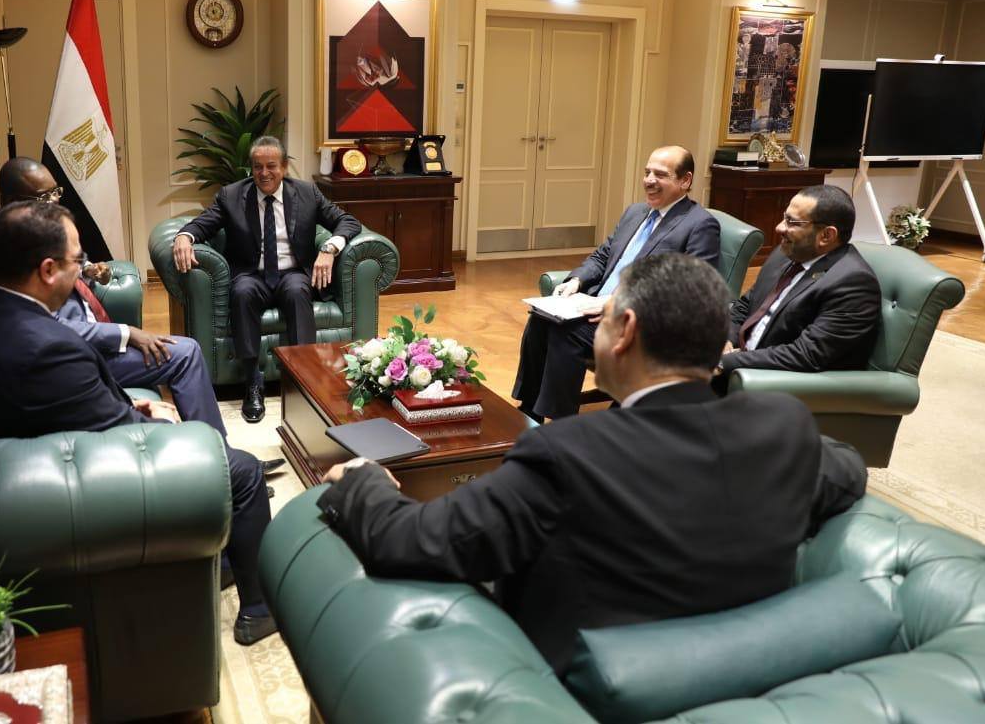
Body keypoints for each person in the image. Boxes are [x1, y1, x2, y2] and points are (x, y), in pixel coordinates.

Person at [316, 253, 867, 674]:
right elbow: (847, 471)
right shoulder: (785, 428)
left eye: (601, 318)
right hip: (746, 676)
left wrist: (363, 482)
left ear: (626, 331)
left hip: (576, 686)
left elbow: (415, 542)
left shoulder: (565, 453)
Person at [0, 202, 278, 645]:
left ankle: (226, 562)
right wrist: (166, 428)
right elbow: (120, 436)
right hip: (83, 483)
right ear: (47, 270)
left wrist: (131, 405)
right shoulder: (50, 347)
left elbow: (67, 404)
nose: (81, 267)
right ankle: (260, 609)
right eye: (76, 259)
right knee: (243, 472)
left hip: (30, 456)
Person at [0, 159, 284, 476]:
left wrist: (90, 272)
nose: (55, 201)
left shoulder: (40, 234)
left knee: (184, 350)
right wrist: (128, 332)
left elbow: (71, 272)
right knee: (185, 353)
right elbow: (51, 329)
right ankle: (224, 464)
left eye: (56, 192)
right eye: (44, 196)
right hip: (78, 360)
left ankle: (222, 459)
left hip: (95, 344)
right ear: (14, 202)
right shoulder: (11, 256)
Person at [512, 145, 720, 421]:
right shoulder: (635, 212)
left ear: (685, 180)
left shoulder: (699, 224)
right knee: (540, 319)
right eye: (647, 172)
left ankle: (560, 420)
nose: (649, 181)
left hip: (640, 323)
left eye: (660, 175)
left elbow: (692, 289)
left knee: (567, 332)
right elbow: (603, 255)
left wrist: (621, 302)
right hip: (596, 305)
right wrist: (576, 281)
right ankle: (529, 410)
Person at [172, 136, 361, 422]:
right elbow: (202, 224)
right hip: (252, 274)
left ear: (284, 167)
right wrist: (184, 237)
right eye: (257, 166)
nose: (264, 173)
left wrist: (329, 248)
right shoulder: (232, 196)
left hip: (292, 273)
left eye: (271, 166)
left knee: (297, 291)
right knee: (242, 292)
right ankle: (252, 382)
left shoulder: (307, 193)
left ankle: (303, 380)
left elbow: (348, 221)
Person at [719, 184, 880, 377]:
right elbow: (746, 305)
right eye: (784, 217)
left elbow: (806, 355)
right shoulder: (785, 253)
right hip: (738, 362)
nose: (779, 227)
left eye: (792, 222)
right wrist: (724, 340)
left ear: (826, 235)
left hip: (773, 381)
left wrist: (723, 363)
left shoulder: (854, 284)